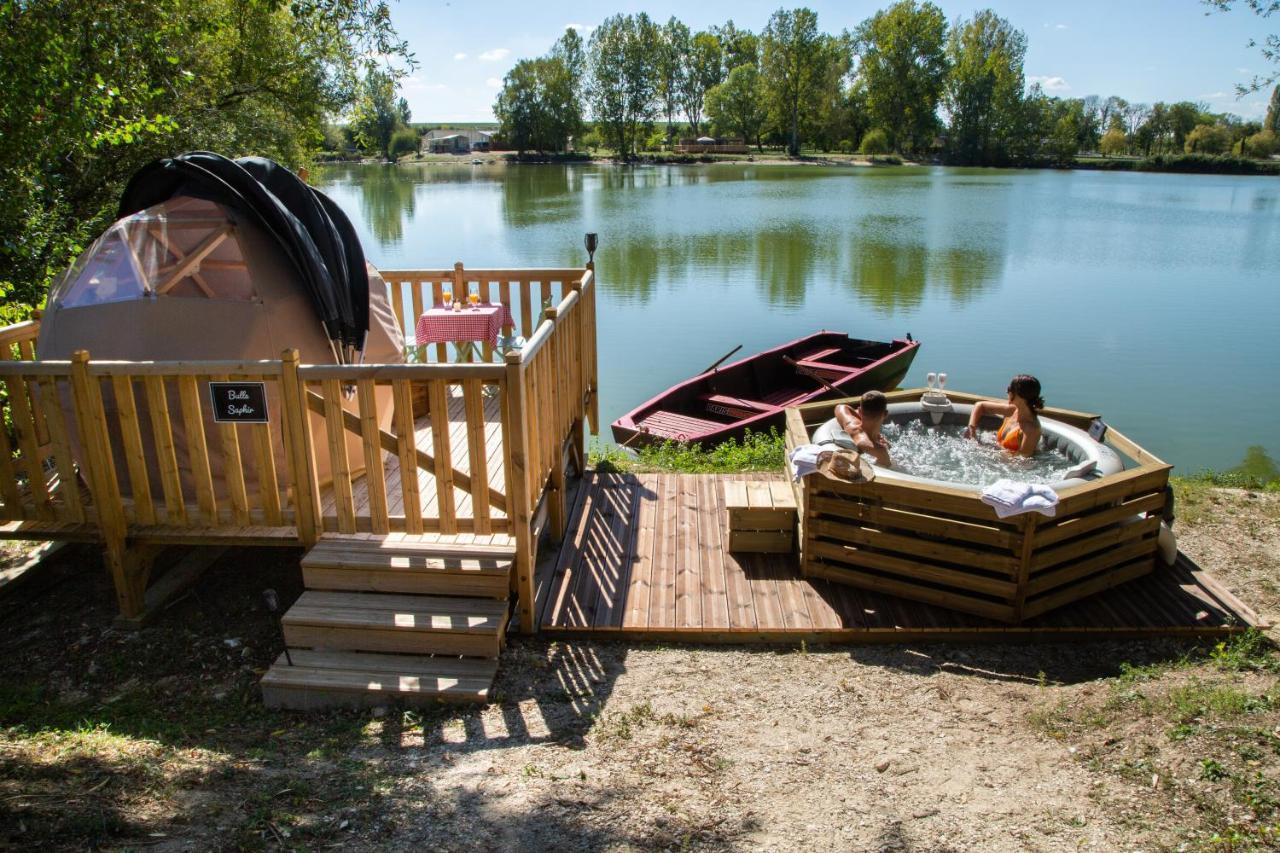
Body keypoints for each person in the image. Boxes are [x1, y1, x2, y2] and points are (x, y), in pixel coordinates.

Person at [964, 374, 1044, 458]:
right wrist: (971, 429)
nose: (1007, 391)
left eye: (1010, 389)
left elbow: (1022, 461)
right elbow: (980, 405)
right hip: (994, 456)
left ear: (1021, 396)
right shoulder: (1012, 410)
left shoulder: (1031, 429)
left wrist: (986, 452)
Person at [833, 390, 891, 467]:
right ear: (885, 414)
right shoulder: (880, 451)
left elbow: (840, 407)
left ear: (859, 411)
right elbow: (891, 470)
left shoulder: (851, 426)